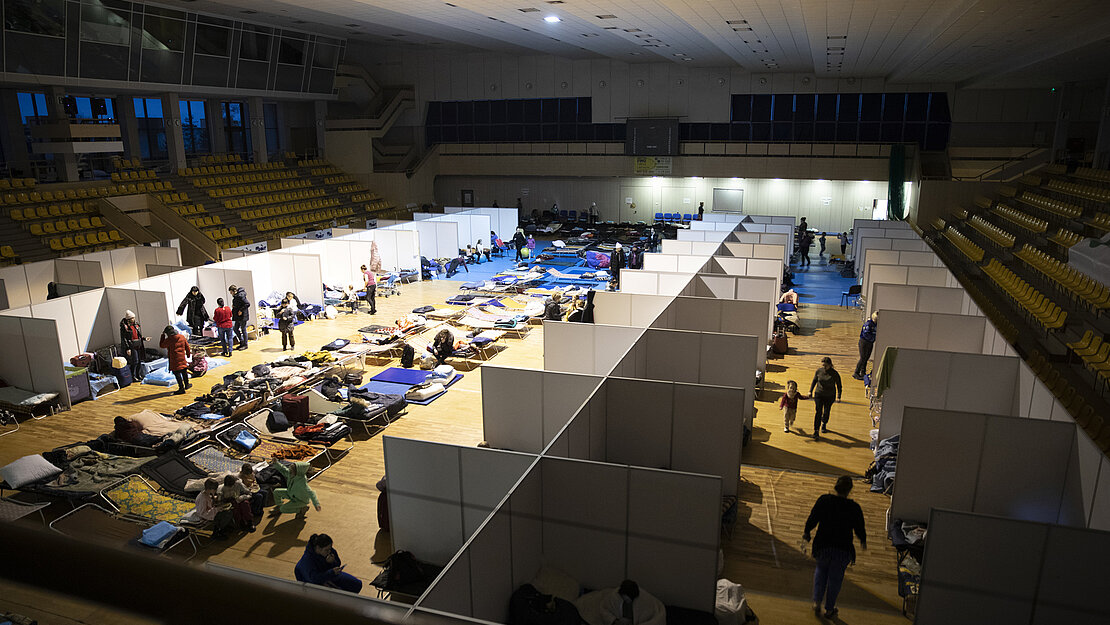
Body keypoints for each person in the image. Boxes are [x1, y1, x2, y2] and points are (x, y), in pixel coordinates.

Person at [803, 476, 867, 619]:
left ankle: (817, 601)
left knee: (820, 571)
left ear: (835, 487)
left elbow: (813, 517)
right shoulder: (854, 508)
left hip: (823, 544)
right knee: (835, 579)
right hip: (842, 548)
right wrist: (863, 540)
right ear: (850, 490)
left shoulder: (824, 500)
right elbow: (859, 527)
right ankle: (830, 609)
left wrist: (807, 532)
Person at [295, 533, 363, 594]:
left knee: (357, 584)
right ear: (318, 548)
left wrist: (332, 562)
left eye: (330, 549)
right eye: (327, 550)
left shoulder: (328, 551)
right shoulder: (307, 560)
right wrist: (331, 572)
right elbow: (314, 579)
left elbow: (337, 563)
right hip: (313, 581)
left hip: (327, 574)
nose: (329, 551)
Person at [599, 579, 666, 625]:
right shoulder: (614, 597)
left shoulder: (644, 600)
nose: (626, 601)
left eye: (628, 600)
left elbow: (653, 616)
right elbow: (604, 608)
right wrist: (614, 621)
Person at [808, 357, 843, 440]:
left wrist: (839, 396)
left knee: (826, 411)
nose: (824, 367)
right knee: (818, 411)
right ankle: (816, 431)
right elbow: (814, 381)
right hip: (819, 394)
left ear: (830, 365)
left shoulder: (834, 374)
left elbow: (839, 385)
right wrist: (810, 391)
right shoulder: (819, 371)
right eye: (823, 365)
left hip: (829, 396)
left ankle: (824, 423)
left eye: (825, 366)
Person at [159, 325, 191, 395]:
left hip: (174, 358)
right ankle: (187, 384)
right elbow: (187, 346)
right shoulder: (181, 337)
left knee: (177, 373)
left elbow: (161, 345)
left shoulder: (169, 339)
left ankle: (181, 388)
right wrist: (188, 354)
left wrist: (162, 336)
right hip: (182, 357)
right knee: (184, 371)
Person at [119, 310, 148, 381]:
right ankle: (133, 376)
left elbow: (138, 335)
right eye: (132, 318)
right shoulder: (124, 327)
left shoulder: (136, 325)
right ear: (129, 319)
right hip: (131, 346)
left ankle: (138, 375)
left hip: (138, 344)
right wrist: (128, 348)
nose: (134, 319)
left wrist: (144, 338)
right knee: (135, 361)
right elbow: (124, 338)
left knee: (139, 361)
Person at [853, 312, 878, 380]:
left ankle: (863, 371)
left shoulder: (877, 324)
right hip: (864, 342)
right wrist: (873, 338)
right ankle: (856, 372)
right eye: (876, 320)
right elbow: (866, 334)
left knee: (867, 357)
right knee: (863, 358)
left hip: (870, 343)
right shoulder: (868, 324)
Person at [229, 285, 250, 350]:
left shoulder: (241, 296)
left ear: (234, 291)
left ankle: (245, 344)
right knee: (235, 328)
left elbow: (247, 304)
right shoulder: (236, 296)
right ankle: (242, 342)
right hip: (238, 316)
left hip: (243, 316)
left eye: (231, 292)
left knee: (243, 329)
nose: (230, 294)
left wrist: (241, 310)